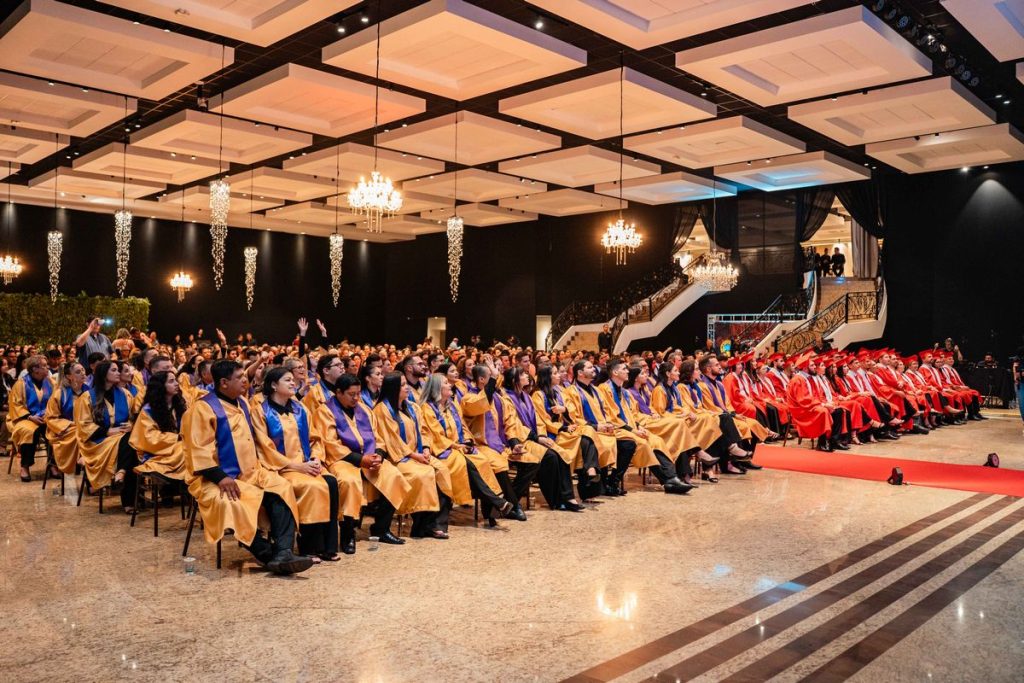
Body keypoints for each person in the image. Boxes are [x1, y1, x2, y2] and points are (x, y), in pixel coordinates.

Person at [181, 360, 312, 575]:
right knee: (234, 505)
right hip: (215, 478)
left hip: (252, 471)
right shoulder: (202, 409)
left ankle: (284, 551)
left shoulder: (242, 402)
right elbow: (198, 450)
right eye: (240, 377)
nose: (245, 380)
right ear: (224, 382)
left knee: (281, 488)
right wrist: (220, 477)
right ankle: (268, 554)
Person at [252, 367, 340, 563]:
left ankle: (328, 546)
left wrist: (316, 458)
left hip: (307, 464)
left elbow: (315, 438)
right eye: (287, 380)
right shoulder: (261, 412)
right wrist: (296, 466)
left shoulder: (301, 409)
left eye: (293, 379)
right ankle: (309, 547)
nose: (293, 383)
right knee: (312, 486)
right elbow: (265, 448)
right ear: (273, 385)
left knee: (331, 482)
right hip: (282, 468)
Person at [317, 373, 408, 550]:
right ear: (338, 392)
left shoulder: (365, 410)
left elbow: (378, 438)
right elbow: (330, 444)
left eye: (358, 393)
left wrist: (379, 455)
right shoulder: (325, 411)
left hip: (369, 457)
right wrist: (360, 459)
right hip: (342, 459)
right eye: (351, 394)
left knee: (394, 475)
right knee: (349, 482)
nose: (356, 398)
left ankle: (381, 528)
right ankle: (347, 534)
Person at [418, 373, 515, 526]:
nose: (450, 385)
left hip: (459, 447)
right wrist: (457, 446)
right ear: (436, 388)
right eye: (445, 383)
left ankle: (492, 510)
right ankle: (497, 502)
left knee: (483, 461)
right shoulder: (427, 409)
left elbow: (463, 427)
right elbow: (436, 435)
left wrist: (467, 441)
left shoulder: (451, 406)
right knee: (466, 464)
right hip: (443, 451)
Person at [373, 372, 453, 539]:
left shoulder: (412, 407)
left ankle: (433, 524)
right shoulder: (382, 410)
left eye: (406, 384)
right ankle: (421, 526)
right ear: (393, 388)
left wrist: (426, 448)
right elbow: (391, 439)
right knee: (424, 474)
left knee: (443, 470)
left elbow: (424, 431)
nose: (407, 387)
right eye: (402, 385)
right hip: (398, 458)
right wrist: (414, 456)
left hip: (418, 454)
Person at [75, 360, 138, 512]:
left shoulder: (126, 394)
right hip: (98, 442)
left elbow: (135, 416)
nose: (118, 373)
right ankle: (128, 501)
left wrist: (131, 425)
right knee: (131, 444)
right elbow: (84, 425)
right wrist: (107, 431)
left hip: (121, 438)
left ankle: (122, 472)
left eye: (118, 370)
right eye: (114, 370)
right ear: (104, 374)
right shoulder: (87, 397)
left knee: (131, 443)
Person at [128, 370, 188, 483]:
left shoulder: (180, 405)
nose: (176, 384)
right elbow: (149, 436)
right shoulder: (149, 409)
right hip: (156, 450)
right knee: (185, 449)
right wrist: (176, 438)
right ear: (161, 386)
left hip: (178, 444)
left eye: (176, 380)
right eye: (171, 381)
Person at [6, 354, 53, 482]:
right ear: (34, 369)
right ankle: (24, 466)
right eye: (44, 366)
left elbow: (56, 401)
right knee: (29, 431)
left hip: (46, 417)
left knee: (56, 429)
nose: (47, 368)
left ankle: (52, 464)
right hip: (24, 418)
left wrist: (49, 414)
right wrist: (30, 417)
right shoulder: (21, 384)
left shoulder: (50, 382)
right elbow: (15, 405)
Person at [45, 361, 86, 476]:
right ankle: (79, 463)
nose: (83, 373)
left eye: (83, 370)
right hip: (64, 430)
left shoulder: (90, 392)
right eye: (78, 372)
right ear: (69, 376)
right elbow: (51, 417)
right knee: (81, 433)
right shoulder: (59, 394)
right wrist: (72, 425)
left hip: (87, 427)